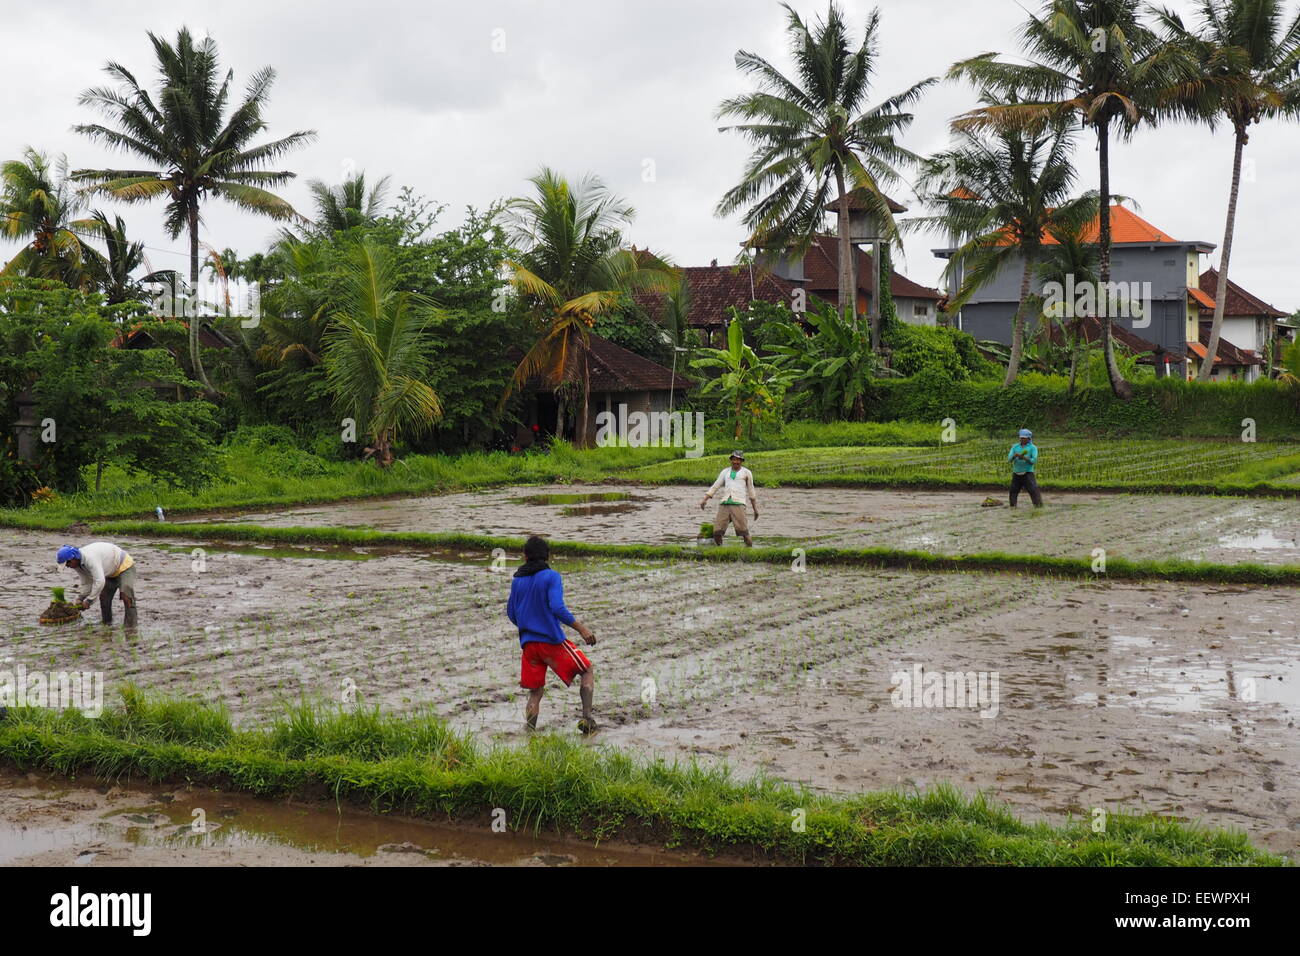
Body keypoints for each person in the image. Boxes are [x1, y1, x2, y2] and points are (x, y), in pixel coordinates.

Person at [505, 535, 598, 734]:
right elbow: (557, 607)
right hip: (551, 641)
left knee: (535, 692)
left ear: (525, 556)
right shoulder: (551, 576)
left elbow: (512, 614)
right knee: (587, 670)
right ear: (547, 556)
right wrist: (582, 629)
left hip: (529, 645)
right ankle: (587, 719)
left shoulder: (517, 580)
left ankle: (530, 732)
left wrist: (528, 625)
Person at [56, 542, 138, 627]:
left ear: (73, 559)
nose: (68, 567)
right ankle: (107, 624)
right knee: (104, 597)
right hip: (109, 572)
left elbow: (99, 581)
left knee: (126, 596)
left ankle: (131, 627)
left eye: (68, 564)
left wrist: (89, 601)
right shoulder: (77, 565)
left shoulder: (90, 558)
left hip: (124, 566)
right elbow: (87, 582)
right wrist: (81, 598)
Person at [700, 450, 759, 547]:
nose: (735, 462)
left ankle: (749, 551)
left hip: (738, 504)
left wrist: (755, 509)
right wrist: (704, 499)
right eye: (734, 459)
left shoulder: (746, 473)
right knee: (717, 532)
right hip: (725, 504)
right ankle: (720, 550)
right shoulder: (725, 472)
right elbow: (716, 486)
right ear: (731, 460)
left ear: (741, 461)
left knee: (744, 532)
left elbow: (751, 492)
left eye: (738, 460)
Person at [1007, 428, 1043, 508]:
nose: (1022, 439)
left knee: (1033, 491)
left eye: (1024, 438)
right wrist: (1014, 456)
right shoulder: (1015, 447)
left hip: (1027, 473)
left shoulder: (1033, 448)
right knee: (1013, 491)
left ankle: (1038, 507)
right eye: (1021, 438)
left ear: (1028, 438)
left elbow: (1033, 460)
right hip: (1016, 472)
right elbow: (1009, 459)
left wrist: (1024, 457)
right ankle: (1013, 506)